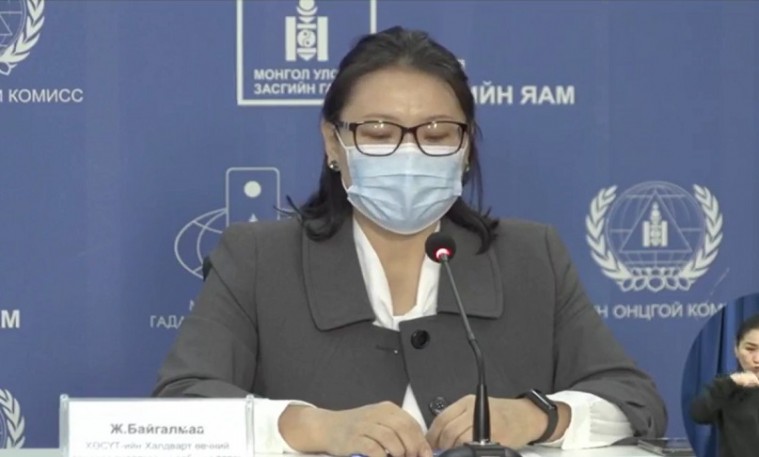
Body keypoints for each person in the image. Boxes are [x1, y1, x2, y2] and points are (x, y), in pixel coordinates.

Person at [153, 26, 667, 457]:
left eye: (437, 133)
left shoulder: (532, 256)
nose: (409, 153)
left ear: (466, 147)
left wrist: (537, 416)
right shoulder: (257, 258)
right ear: (333, 142)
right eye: (379, 133)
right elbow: (180, 405)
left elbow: (635, 400)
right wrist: (314, 427)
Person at [690, 314, 759, 457]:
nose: (757, 359)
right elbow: (699, 414)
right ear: (736, 348)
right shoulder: (727, 387)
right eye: (750, 349)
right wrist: (731, 382)